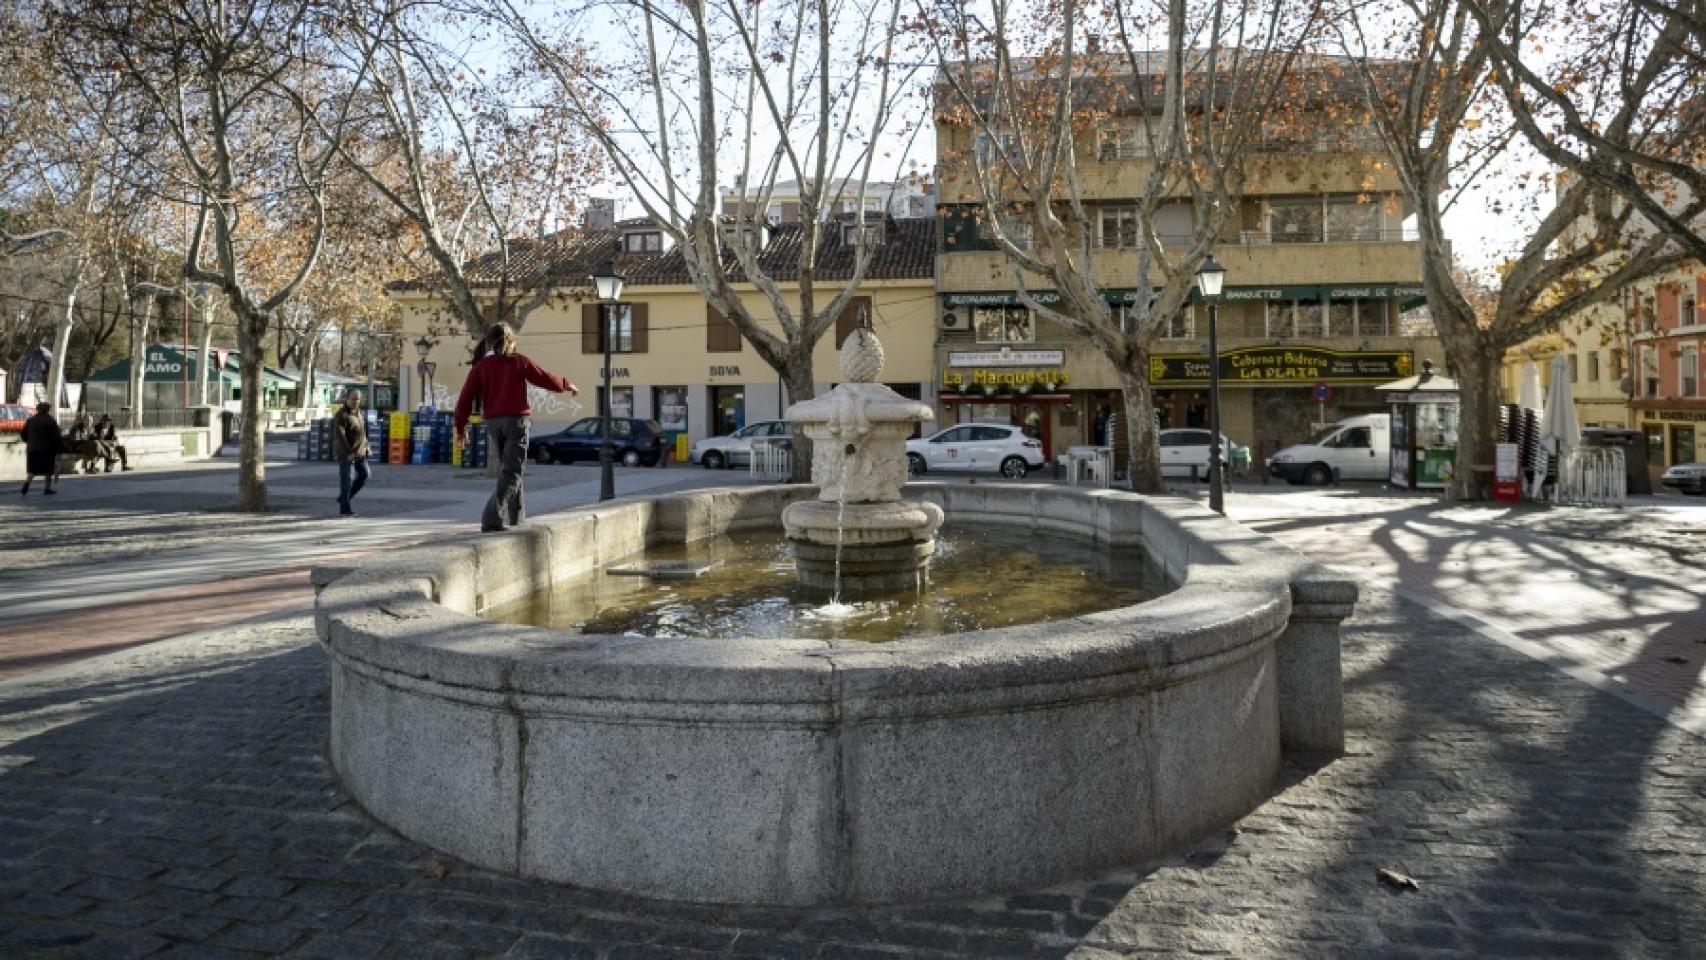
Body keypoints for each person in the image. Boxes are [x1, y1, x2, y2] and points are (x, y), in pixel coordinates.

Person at [454, 322, 577, 532]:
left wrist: (460, 428)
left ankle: (517, 520)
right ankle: (491, 518)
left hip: (494, 423)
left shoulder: (480, 367)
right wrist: (566, 384)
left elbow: (464, 399)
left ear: (489, 343)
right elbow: (543, 377)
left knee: (510, 470)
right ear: (510, 343)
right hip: (516, 422)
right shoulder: (518, 362)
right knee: (513, 472)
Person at [332, 389, 371, 516]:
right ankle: (345, 509)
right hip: (346, 453)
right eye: (353, 399)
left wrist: (367, 446)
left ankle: (343, 498)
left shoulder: (359, 413)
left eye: (358, 399)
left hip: (360, 452)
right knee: (346, 481)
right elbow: (340, 436)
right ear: (347, 399)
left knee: (365, 474)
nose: (356, 401)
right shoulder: (341, 414)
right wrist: (349, 452)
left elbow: (362, 433)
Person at [19, 402, 63, 495]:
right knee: (48, 469)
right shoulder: (51, 421)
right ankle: (47, 488)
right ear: (47, 410)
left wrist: (29, 441)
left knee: (33, 469)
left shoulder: (30, 420)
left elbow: (23, 433)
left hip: (32, 449)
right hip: (47, 449)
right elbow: (57, 437)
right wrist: (59, 449)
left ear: (37, 410)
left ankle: (27, 483)